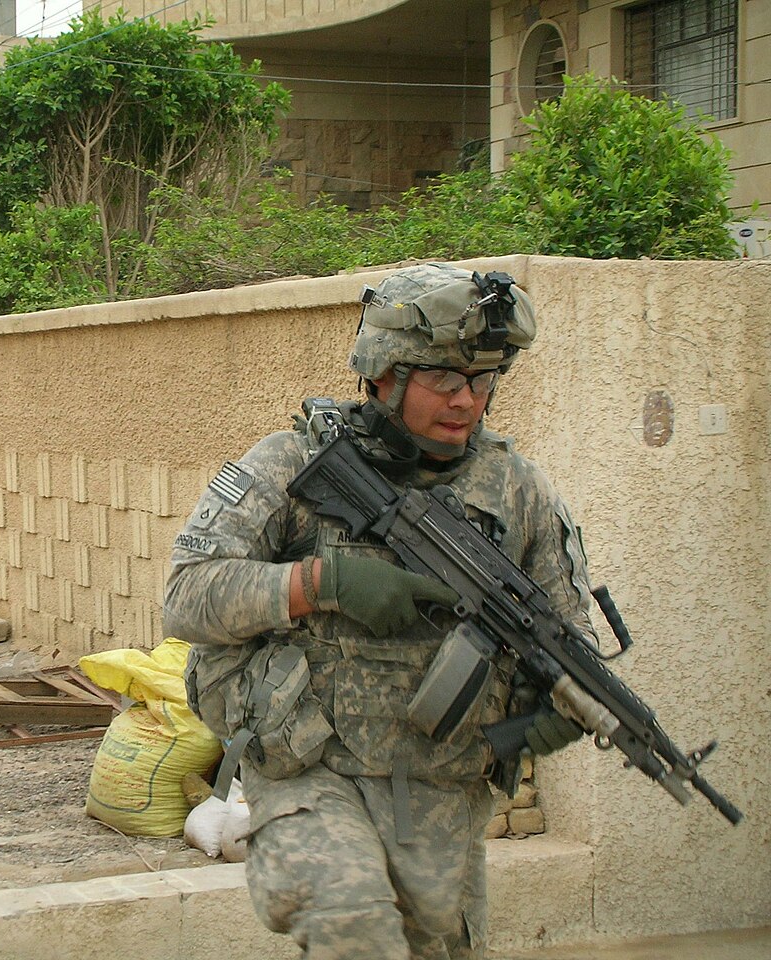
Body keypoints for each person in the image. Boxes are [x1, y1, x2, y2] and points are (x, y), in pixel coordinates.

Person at [163, 263, 595, 960]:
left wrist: (535, 727)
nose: (467, 402)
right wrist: (322, 582)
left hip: (439, 787)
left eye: (482, 382)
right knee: (353, 924)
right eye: (445, 381)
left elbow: (571, 639)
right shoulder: (291, 464)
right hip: (310, 767)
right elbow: (185, 597)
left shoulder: (516, 491)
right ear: (385, 374)